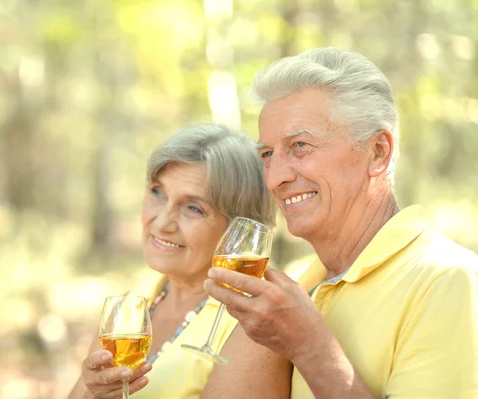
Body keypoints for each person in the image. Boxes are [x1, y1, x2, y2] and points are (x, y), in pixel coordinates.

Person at [204, 47, 478, 398]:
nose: (275, 178)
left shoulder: (448, 280)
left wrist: (310, 347)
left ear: (378, 152)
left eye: (300, 145)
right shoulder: (305, 282)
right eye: (267, 154)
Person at [68, 124, 292, 399]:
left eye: (193, 208)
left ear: (238, 229)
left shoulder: (253, 325)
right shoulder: (134, 305)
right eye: (157, 192)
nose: (162, 223)